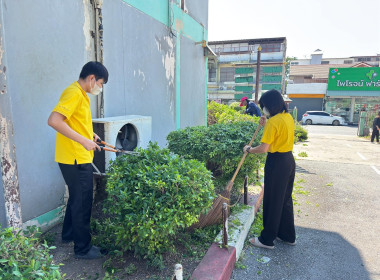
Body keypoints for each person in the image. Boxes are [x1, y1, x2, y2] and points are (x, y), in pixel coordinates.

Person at [48, 61, 108, 259]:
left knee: (77, 198)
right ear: (91, 78)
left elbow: (75, 122)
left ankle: (69, 235)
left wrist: (90, 135)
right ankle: (83, 249)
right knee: (83, 202)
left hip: (75, 156)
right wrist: (83, 141)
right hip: (75, 158)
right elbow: (54, 120)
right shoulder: (73, 92)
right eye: (100, 83)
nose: (99, 88)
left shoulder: (81, 94)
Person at [243, 89, 296, 249]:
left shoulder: (273, 122)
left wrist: (249, 149)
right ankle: (287, 235)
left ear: (270, 105)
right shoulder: (287, 117)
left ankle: (266, 239)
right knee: (284, 199)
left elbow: (264, 148)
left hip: (277, 162)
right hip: (288, 160)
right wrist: (266, 123)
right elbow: (279, 133)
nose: (263, 108)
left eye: (264, 105)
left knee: (272, 200)